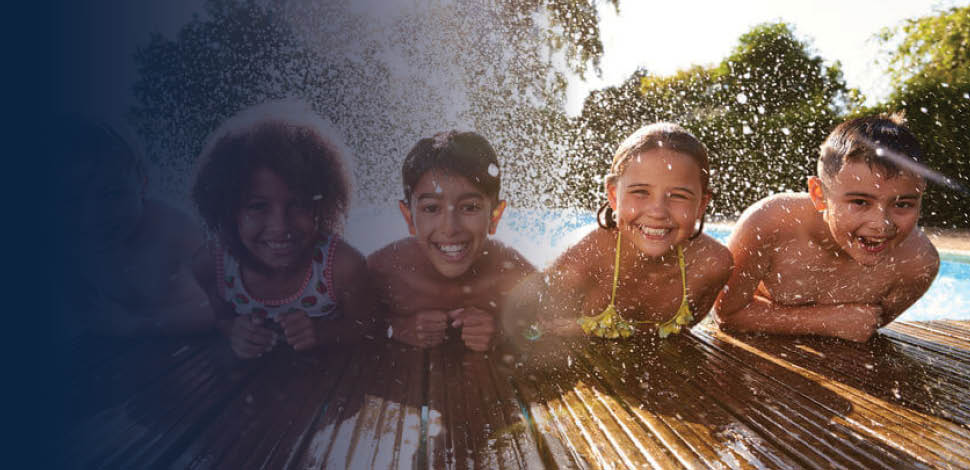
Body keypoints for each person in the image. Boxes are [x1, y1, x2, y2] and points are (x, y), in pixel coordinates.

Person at [714, 113, 940, 342]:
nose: (881, 224)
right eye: (860, 202)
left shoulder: (917, 264)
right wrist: (825, 321)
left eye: (902, 204)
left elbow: (862, 327)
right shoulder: (770, 223)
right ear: (819, 194)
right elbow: (727, 314)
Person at [191, 101, 378, 358]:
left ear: (322, 205)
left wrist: (321, 332)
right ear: (227, 209)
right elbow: (219, 318)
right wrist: (234, 330)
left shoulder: (342, 267)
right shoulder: (212, 263)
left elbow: (367, 326)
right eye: (257, 206)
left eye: (299, 204)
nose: (280, 227)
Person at [535, 123, 733, 339]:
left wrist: (625, 332)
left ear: (702, 204)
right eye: (640, 192)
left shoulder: (713, 264)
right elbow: (533, 332)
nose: (658, 211)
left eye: (678, 196)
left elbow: (679, 334)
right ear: (613, 195)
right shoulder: (584, 259)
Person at [367, 131, 536, 352]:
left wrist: (503, 331)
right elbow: (350, 327)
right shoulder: (386, 271)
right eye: (431, 208)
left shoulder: (512, 273)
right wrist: (396, 328)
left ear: (495, 216)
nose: (450, 229)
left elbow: (549, 326)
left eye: (470, 207)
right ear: (409, 217)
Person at [57, 117, 214, 337]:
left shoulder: (172, 229)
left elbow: (226, 303)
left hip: (195, 341)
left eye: (112, 194)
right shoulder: (71, 244)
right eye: (73, 200)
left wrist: (139, 324)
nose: (94, 216)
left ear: (143, 182)